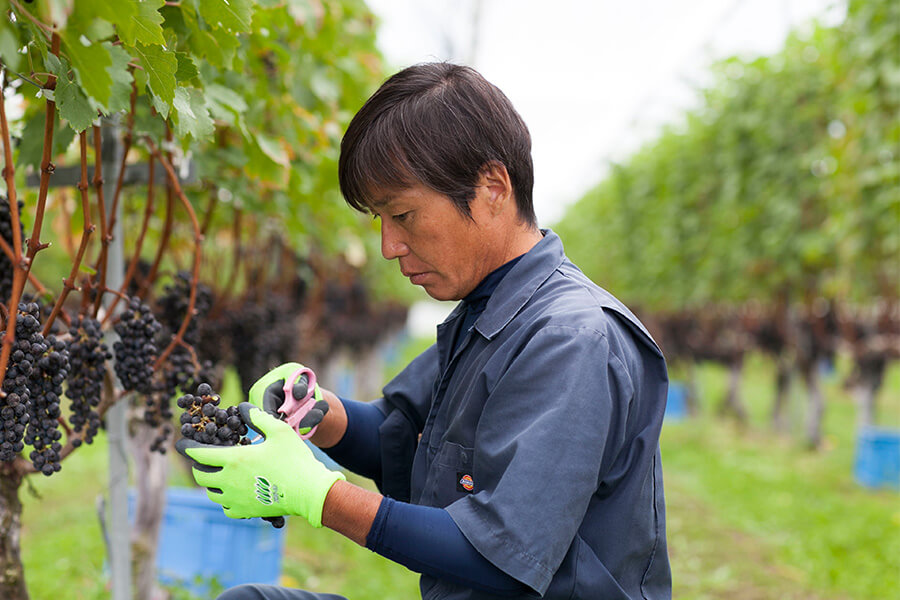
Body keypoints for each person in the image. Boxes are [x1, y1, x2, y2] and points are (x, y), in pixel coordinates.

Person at [177, 62, 672, 600]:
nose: (389, 246)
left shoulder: (571, 339)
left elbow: (502, 558)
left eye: (404, 215)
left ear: (492, 187)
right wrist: (320, 413)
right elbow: (400, 435)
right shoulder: (489, 314)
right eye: (380, 221)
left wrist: (318, 495)